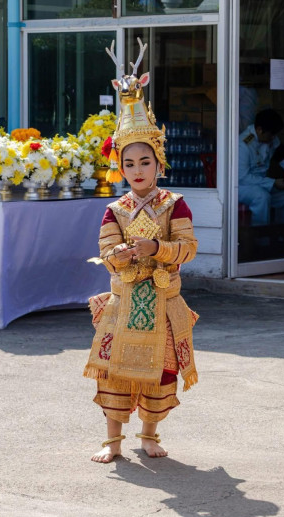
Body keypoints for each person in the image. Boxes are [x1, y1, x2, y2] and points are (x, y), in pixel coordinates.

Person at [85, 42, 199, 463]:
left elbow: (188, 249)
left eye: (144, 162)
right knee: (113, 372)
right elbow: (105, 250)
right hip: (125, 301)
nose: (137, 170)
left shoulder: (175, 204)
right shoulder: (115, 209)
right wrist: (120, 255)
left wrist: (157, 248)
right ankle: (112, 441)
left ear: (159, 162)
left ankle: (149, 434)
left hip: (163, 303)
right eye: (129, 163)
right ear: (121, 167)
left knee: (161, 372)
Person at [239, 109, 284, 242]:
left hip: (263, 185)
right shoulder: (243, 144)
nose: (273, 138)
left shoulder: (271, 138)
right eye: (271, 134)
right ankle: (260, 243)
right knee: (261, 197)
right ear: (259, 130)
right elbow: (242, 177)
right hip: (242, 187)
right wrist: (272, 183)